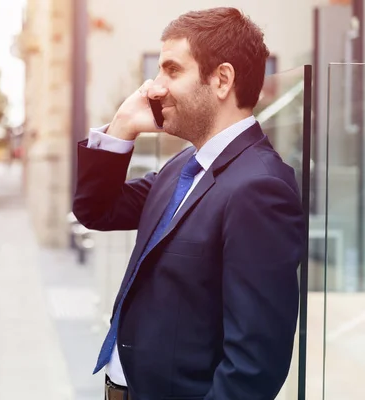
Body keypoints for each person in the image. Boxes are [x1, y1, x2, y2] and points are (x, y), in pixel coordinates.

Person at [72, 7, 306, 400]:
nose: (154, 87)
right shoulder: (184, 164)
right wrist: (122, 127)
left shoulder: (261, 188)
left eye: (171, 70)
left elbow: (254, 363)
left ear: (222, 80)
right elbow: (98, 210)